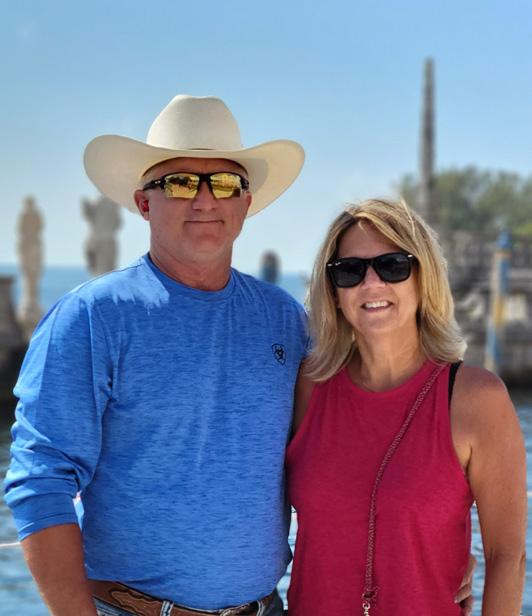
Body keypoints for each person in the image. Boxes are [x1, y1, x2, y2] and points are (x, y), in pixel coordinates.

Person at [4, 94, 307, 616]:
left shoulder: (286, 319)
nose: (205, 200)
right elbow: (41, 481)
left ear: (246, 202)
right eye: (181, 183)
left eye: (225, 183)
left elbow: (330, 454)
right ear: (144, 203)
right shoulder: (91, 317)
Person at [286, 198, 527, 615]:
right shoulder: (307, 387)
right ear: (334, 293)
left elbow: (507, 556)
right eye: (349, 271)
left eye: (393, 266)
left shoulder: (475, 399)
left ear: (423, 278)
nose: (371, 283)